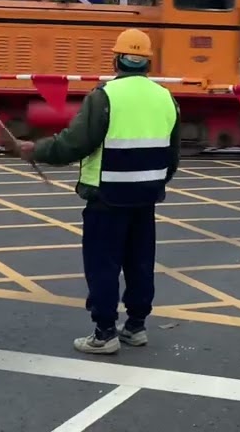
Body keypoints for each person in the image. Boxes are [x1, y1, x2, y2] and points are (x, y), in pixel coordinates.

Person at [11, 28, 180, 355]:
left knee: (104, 265)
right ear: (147, 62)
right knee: (140, 263)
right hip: (146, 198)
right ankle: (135, 326)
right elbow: (172, 158)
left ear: (117, 59)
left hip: (107, 198)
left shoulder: (104, 97)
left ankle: (104, 332)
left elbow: (74, 144)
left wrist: (37, 149)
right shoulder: (166, 98)